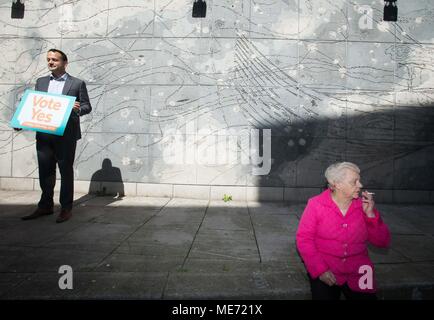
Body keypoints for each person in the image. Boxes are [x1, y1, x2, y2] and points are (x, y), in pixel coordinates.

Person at [296, 162, 390, 300]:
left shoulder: (363, 205)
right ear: (337, 184)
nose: (360, 185)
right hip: (326, 267)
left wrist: (370, 215)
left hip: (361, 271)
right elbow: (304, 240)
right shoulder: (316, 204)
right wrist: (320, 270)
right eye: (355, 182)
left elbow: (382, 241)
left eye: (359, 180)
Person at [20, 48, 92, 223]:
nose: (50, 62)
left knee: (66, 171)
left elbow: (87, 106)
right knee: (45, 171)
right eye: (48, 59)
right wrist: (21, 120)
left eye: (55, 60)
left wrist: (77, 109)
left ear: (65, 63)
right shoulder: (41, 82)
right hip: (44, 134)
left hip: (66, 134)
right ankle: (45, 205)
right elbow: (35, 106)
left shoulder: (77, 83)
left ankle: (66, 208)